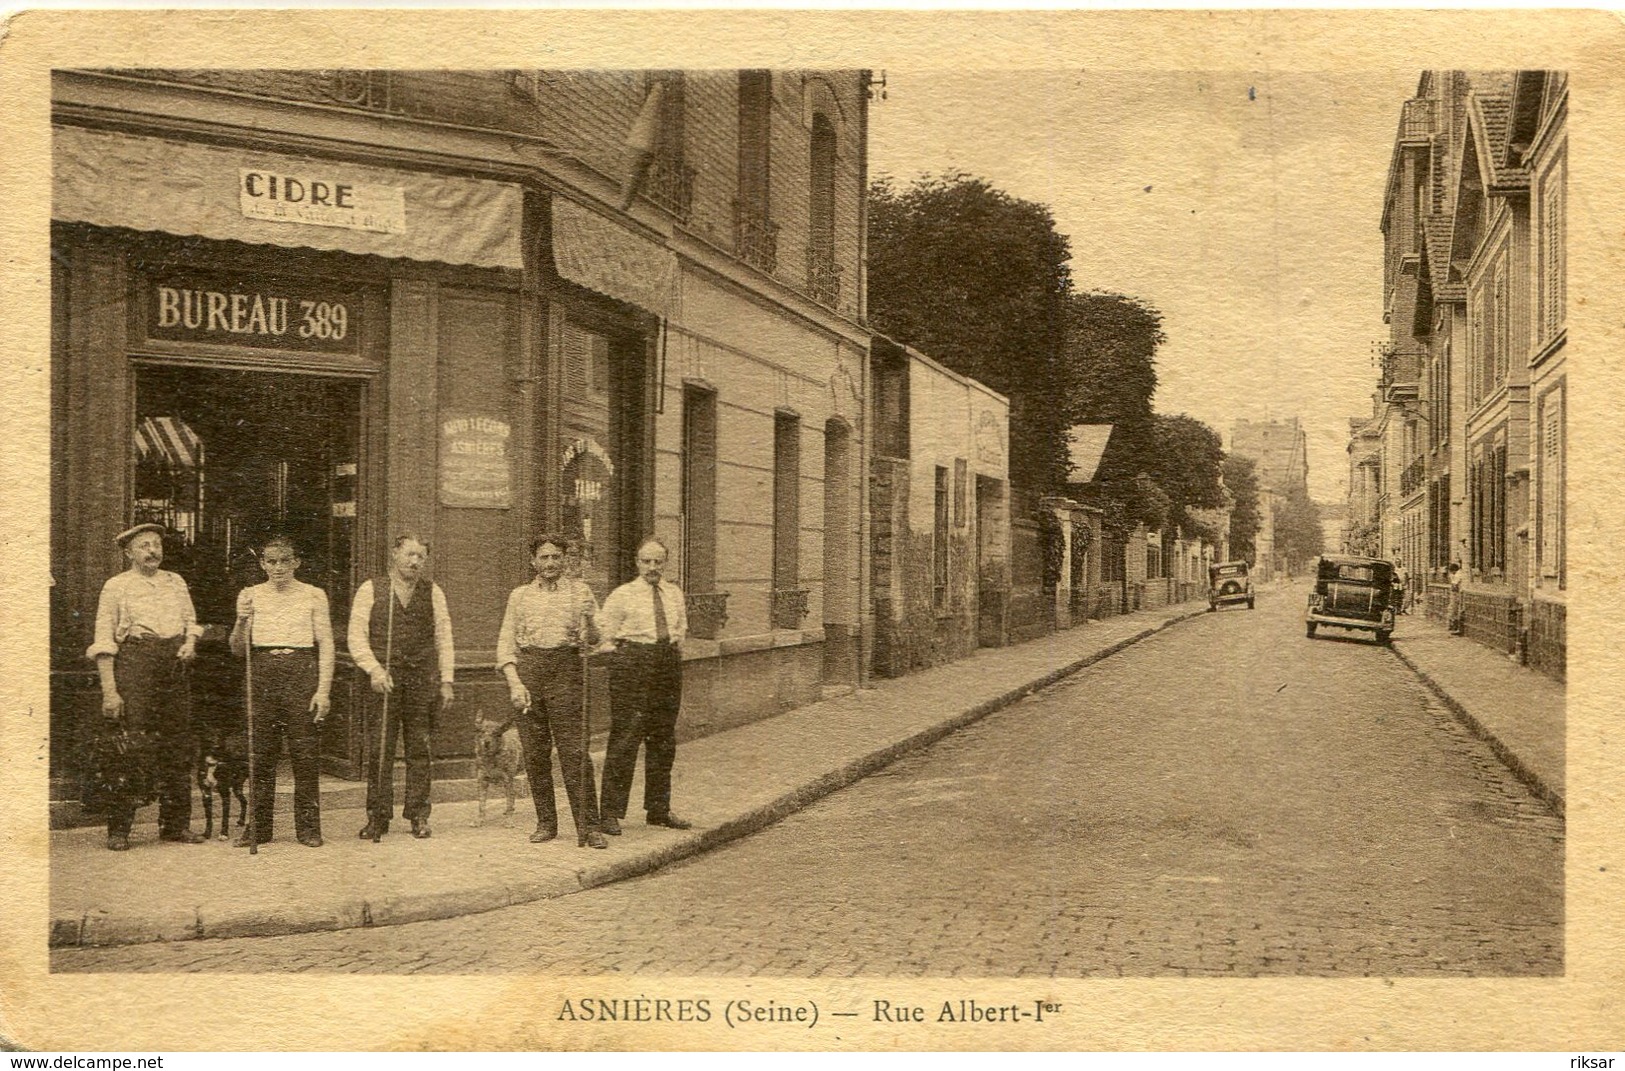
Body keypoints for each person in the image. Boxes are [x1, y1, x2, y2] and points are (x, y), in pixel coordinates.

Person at [85, 523, 206, 850]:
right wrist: (110, 691)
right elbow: (104, 640)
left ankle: (175, 825)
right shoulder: (116, 586)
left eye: (156, 545)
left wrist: (190, 643)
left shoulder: (175, 582)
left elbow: (191, 622)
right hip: (136, 662)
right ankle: (120, 829)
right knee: (129, 745)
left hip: (174, 665)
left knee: (177, 744)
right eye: (144, 546)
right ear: (129, 553)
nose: (153, 551)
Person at [496, 534, 608, 849]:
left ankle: (589, 827)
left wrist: (590, 621)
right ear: (533, 562)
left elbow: (597, 638)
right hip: (530, 672)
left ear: (564, 560)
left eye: (555, 557)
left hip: (567, 671)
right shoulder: (518, 596)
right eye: (544, 558)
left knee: (574, 752)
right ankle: (546, 822)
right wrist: (515, 682)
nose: (550, 564)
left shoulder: (580, 592)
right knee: (534, 753)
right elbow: (506, 645)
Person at [228, 535, 334, 848]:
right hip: (262, 672)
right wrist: (240, 619)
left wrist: (323, 690)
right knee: (260, 755)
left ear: (297, 562)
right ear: (261, 564)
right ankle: (258, 828)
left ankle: (309, 829)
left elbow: (326, 643)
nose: (278, 568)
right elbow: (236, 649)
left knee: (304, 753)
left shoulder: (314, 595)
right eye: (271, 561)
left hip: (301, 671)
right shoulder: (250, 595)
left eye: (285, 561)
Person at [348, 535, 455, 840]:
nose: (415, 562)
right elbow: (356, 637)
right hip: (384, 680)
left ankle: (419, 815)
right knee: (381, 750)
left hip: (421, 680)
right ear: (395, 554)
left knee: (420, 749)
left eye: (421, 557)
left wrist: (446, 679)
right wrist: (374, 669)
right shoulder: (371, 589)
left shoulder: (433, 592)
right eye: (409, 554)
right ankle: (377, 817)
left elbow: (444, 638)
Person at [597, 536, 691, 834]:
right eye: (646, 561)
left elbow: (680, 629)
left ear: (665, 563)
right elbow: (605, 637)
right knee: (626, 737)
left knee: (664, 738)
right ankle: (610, 812)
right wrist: (627, 662)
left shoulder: (674, 593)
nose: (652, 567)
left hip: (666, 663)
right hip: (632, 664)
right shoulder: (622, 595)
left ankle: (658, 809)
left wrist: (669, 655)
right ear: (637, 563)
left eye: (658, 562)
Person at [1447, 561, 1465, 635]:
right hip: (1461, 593)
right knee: (1457, 610)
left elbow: (1454, 586)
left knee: (1456, 610)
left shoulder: (1458, 575)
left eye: (1452, 572)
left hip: (1458, 594)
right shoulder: (1460, 573)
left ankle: (1457, 628)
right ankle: (1456, 627)